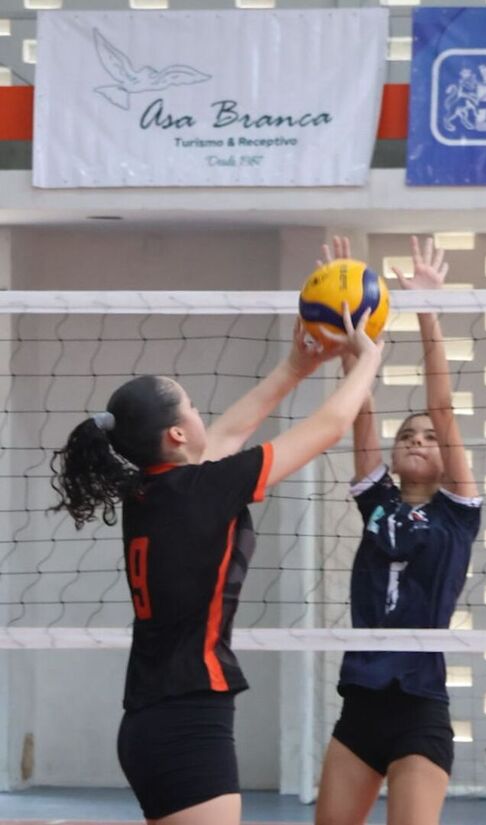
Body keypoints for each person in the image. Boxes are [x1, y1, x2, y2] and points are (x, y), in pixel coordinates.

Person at [50, 253, 384, 825]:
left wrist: (295, 366)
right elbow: (327, 427)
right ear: (178, 434)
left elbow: (227, 433)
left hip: (155, 719)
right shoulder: (200, 489)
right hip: (186, 721)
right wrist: (367, 361)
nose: (209, 415)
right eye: (194, 407)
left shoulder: (153, 489)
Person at [314, 236, 481, 825]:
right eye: (407, 434)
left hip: (418, 706)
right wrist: (348, 326)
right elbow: (359, 407)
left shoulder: (458, 511)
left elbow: (442, 406)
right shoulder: (377, 499)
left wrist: (426, 310)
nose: (417, 438)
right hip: (359, 703)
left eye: (428, 437)